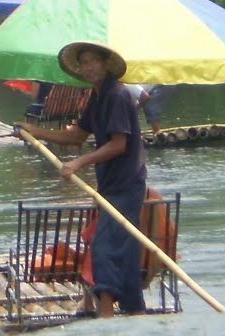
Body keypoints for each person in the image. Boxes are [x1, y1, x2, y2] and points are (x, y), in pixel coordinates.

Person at [14, 41, 147, 318]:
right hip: (110, 186)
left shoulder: (117, 95)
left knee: (104, 248)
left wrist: (78, 162)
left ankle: (107, 316)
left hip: (126, 184)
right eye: (84, 63)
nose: (88, 68)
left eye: (93, 61)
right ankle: (135, 311)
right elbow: (76, 136)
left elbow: (118, 145)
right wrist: (34, 131)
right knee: (122, 248)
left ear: (105, 64)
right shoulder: (97, 97)